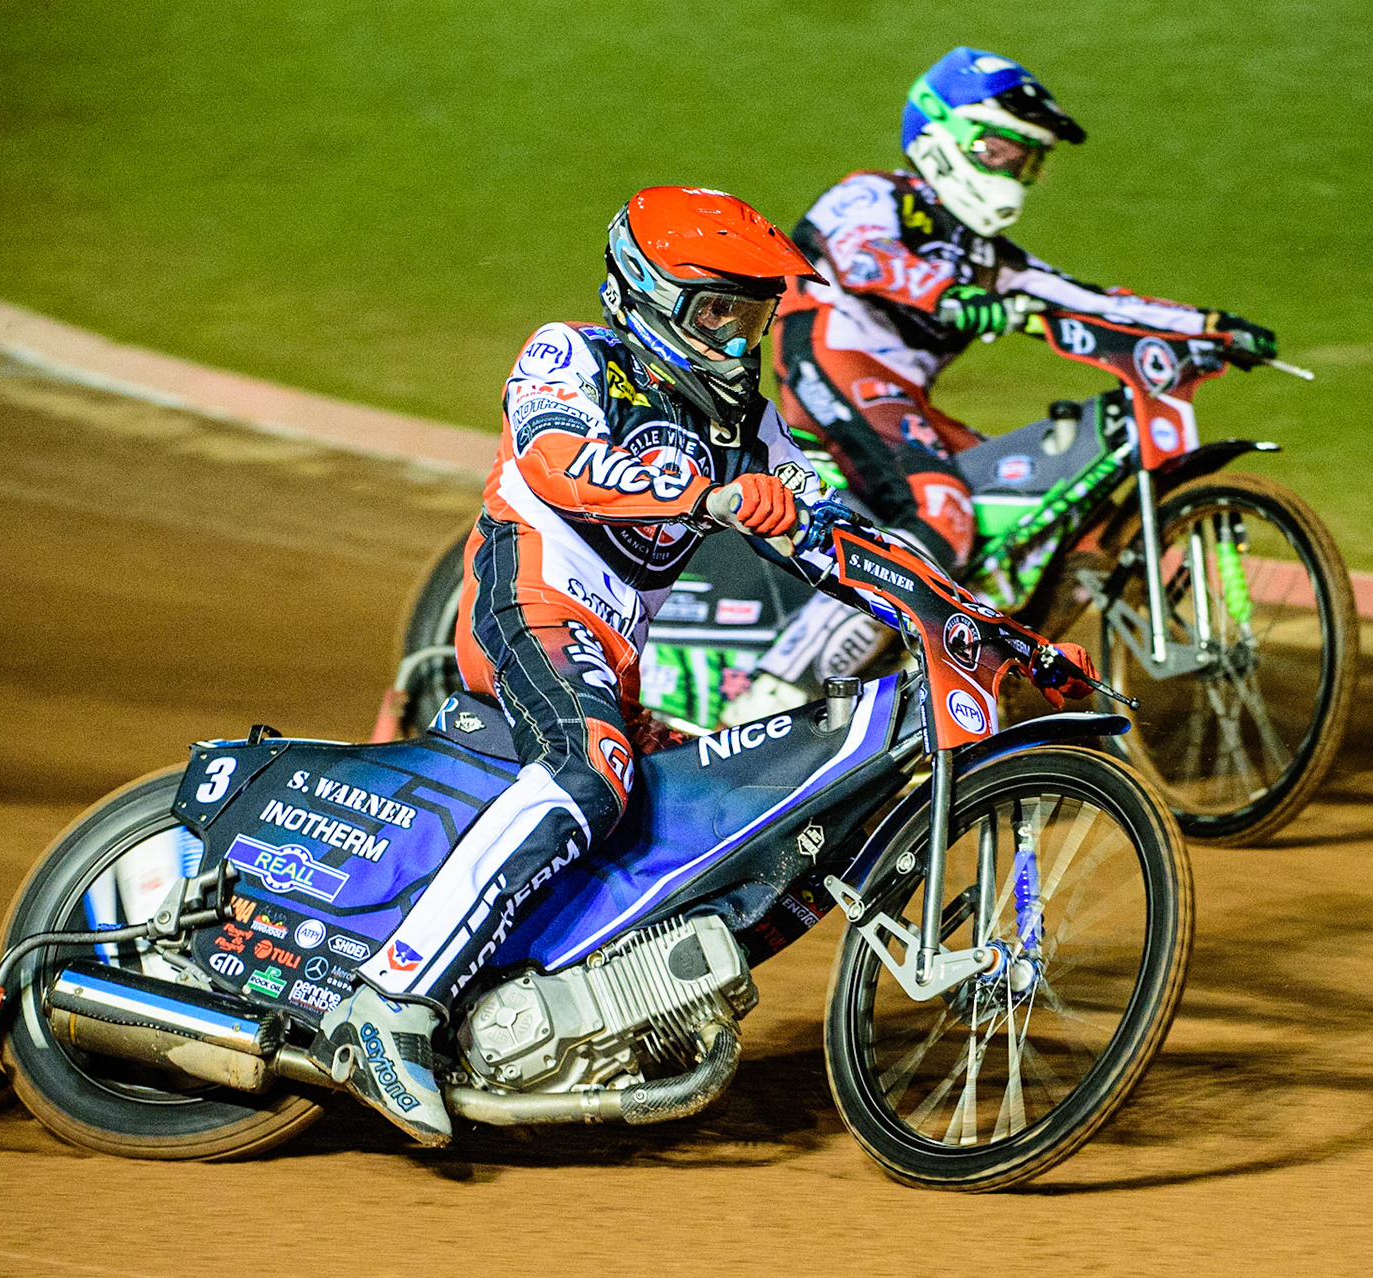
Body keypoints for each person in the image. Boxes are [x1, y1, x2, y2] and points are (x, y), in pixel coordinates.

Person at [310, 186, 1110, 1146]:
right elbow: (557, 458)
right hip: (524, 599)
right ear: (649, 296)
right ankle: (389, 1005)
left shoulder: (749, 424)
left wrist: (983, 623)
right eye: (718, 311)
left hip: (617, 650)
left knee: (702, 813)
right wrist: (705, 492)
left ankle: (571, 1003)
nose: (739, 339)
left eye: (755, 315)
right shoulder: (572, 353)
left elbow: (841, 537)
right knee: (591, 772)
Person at [739, 47, 1278, 715]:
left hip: (900, 402)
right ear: (942, 138)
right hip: (829, 369)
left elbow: (1091, 301)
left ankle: (941, 676)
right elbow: (863, 255)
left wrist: (1209, 325)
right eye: (1001, 149)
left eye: (1028, 160)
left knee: (1018, 509)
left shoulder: (996, 261)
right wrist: (949, 294)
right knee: (944, 509)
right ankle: (779, 686)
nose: (1014, 172)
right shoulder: (871, 196)